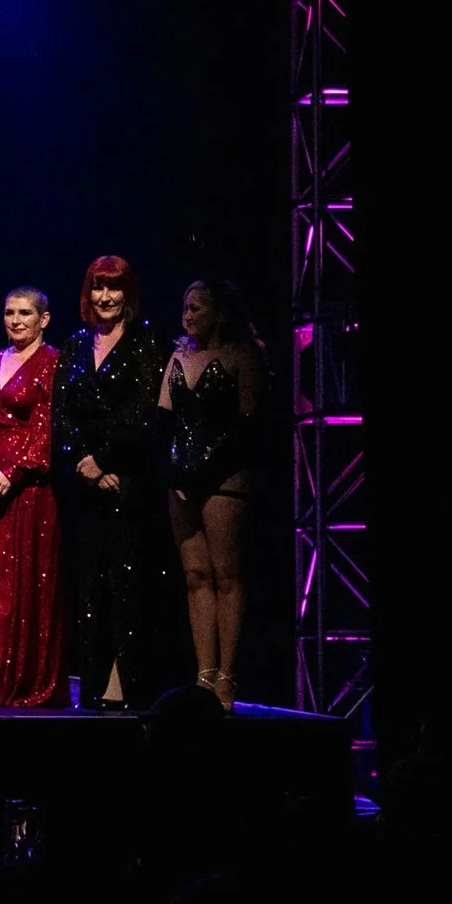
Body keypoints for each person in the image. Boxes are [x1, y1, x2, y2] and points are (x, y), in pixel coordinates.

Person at [56, 257, 177, 710]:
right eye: (97, 288)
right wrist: (83, 463)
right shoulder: (73, 345)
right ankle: (92, 682)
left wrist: (104, 459)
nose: (104, 297)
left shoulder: (147, 341)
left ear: (128, 292)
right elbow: (62, 416)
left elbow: (146, 412)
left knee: (128, 582)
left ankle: (126, 682)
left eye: (113, 288)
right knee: (89, 585)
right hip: (84, 484)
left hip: (129, 479)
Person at [161, 278, 265, 710]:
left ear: (219, 312)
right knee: (196, 576)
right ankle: (204, 675)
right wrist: (176, 473)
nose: (188, 315)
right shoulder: (177, 357)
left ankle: (227, 676)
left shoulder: (242, 355)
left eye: (197, 307)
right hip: (181, 481)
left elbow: (249, 426)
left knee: (226, 575)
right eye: (185, 307)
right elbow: (164, 420)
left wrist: (204, 471)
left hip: (225, 478)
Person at [0, 287, 63, 707]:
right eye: (9, 313)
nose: (16, 320)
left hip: (30, 491)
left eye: (25, 313)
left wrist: (15, 471)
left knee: (27, 584)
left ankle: (27, 683)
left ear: (44, 319)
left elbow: (47, 424)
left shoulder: (54, 362)